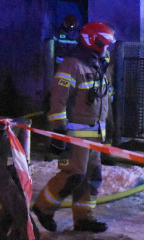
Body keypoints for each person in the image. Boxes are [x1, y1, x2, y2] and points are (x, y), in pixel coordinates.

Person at [32, 21, 116, 233]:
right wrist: (59, 131)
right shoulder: (72, 64)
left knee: (91, 177)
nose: (107, 48)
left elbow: (104, 98)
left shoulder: (100, 63)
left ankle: (84, 218)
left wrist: (109, 127)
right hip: (74, 135)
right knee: (72, 174)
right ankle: (43, 208)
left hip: (95, 133)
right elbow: (58, 100)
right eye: (104, 44)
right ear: (93, 42)